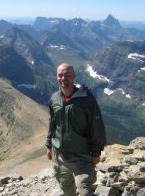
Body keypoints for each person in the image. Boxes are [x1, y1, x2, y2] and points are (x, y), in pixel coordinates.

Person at [45, 62, 106, 196]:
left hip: (81, 156)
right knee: (67, 190)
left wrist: (96, 153)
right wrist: (49, 145)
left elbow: (97, 127)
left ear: (73, 76)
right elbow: (52, 123)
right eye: (60, 75)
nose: (62, 78)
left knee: (85, 190)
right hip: (59, 155)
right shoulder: (54, 98)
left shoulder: (86, 98)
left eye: (66, 75)